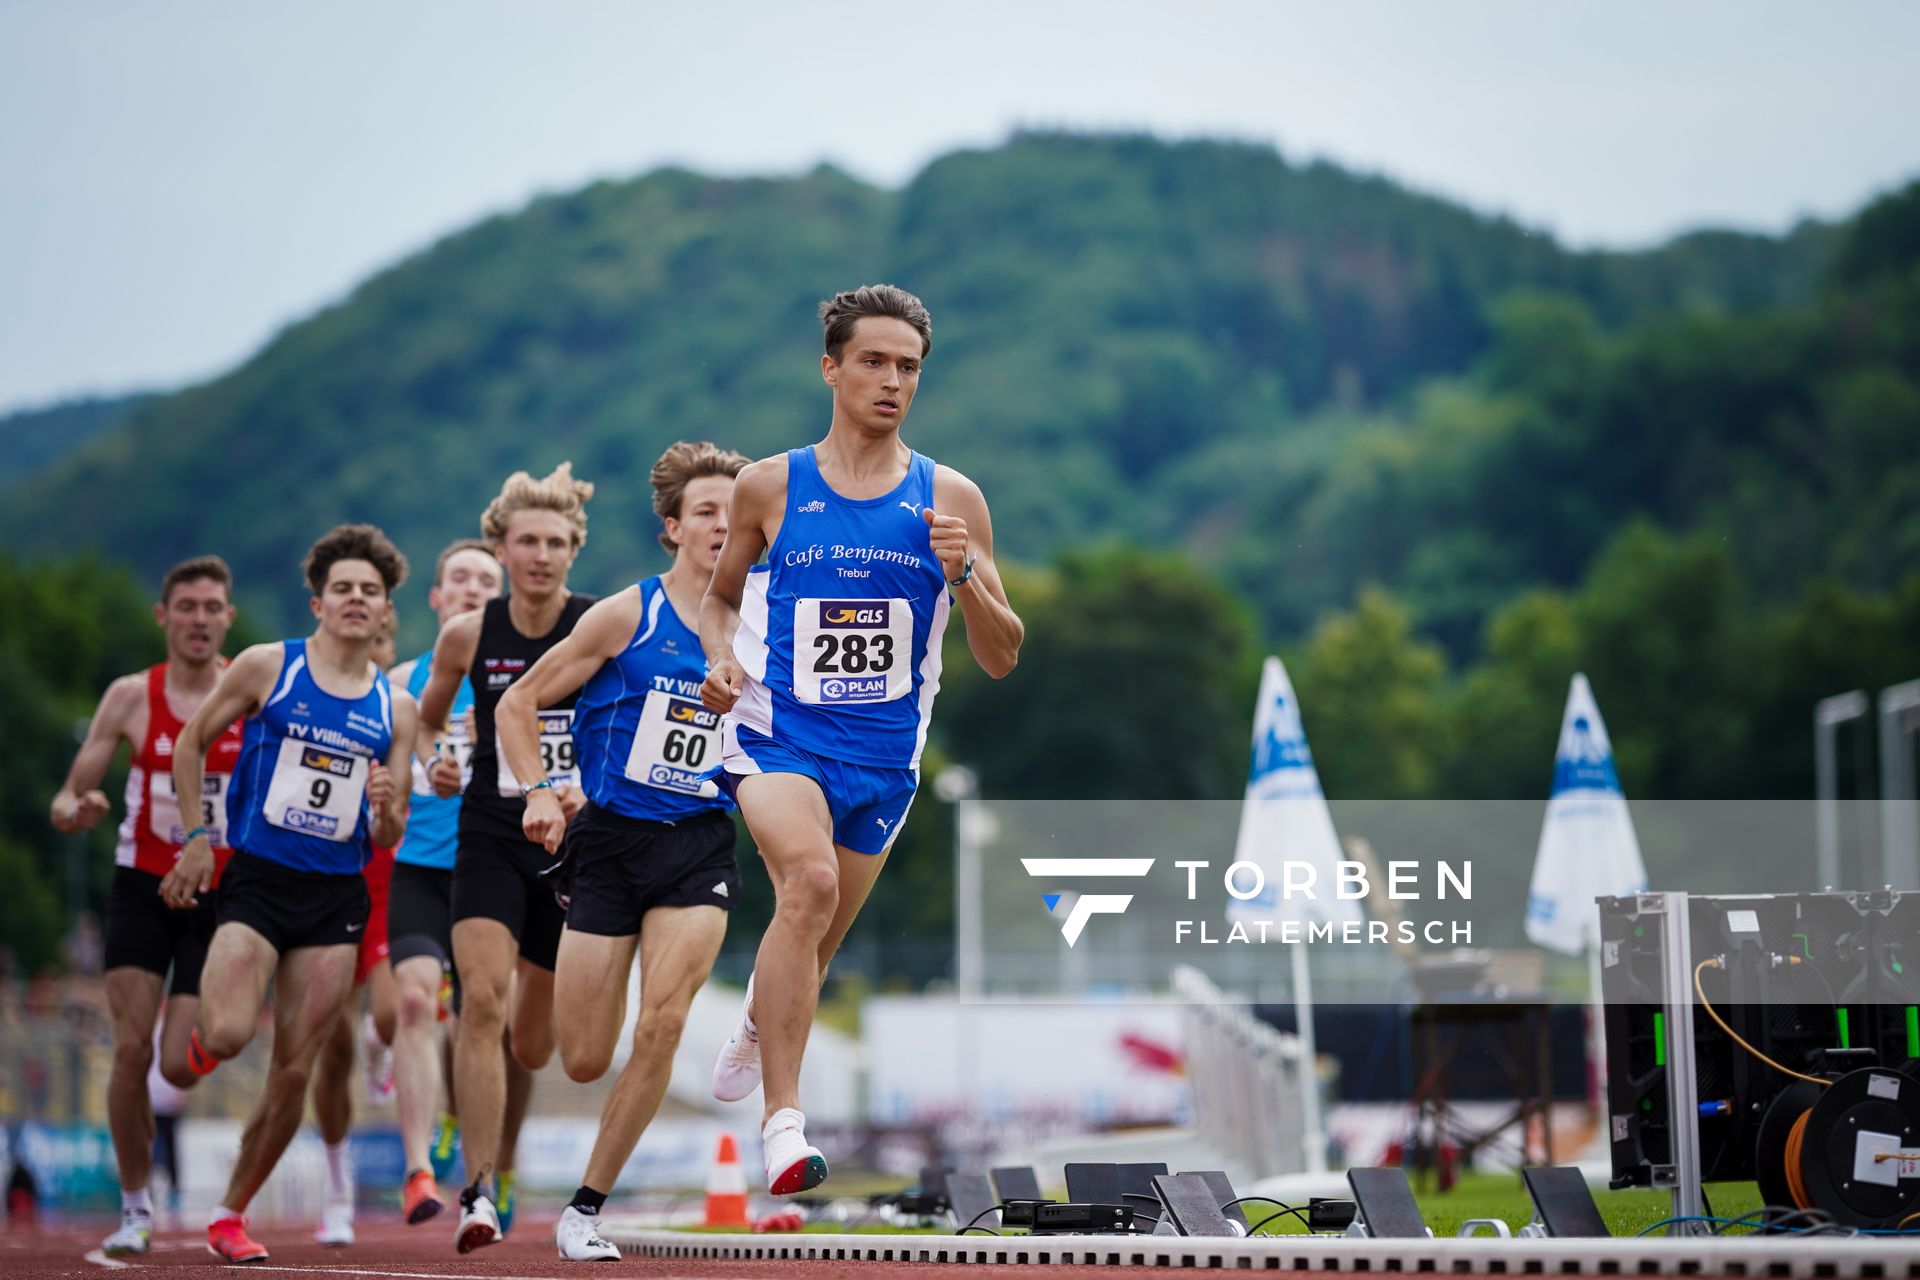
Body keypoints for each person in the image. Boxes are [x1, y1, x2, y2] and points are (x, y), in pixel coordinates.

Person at [701, 285, 1024, 1194]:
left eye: (910, 367)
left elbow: (1002, 655)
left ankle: (763, 1023)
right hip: (778, 734)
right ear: (831, 367)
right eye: (874, 362)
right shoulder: (768, 485)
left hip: (883, 761)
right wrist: (721, 658)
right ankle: (784, 1126)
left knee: (817, 937)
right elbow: (721, 597)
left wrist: (965, 577)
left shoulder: (952, 497)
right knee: (806, 883)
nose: (893, 381)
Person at [495, 442, 746, 1262]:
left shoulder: (764, 630)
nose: (722, 524)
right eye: (706, 511)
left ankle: (584, 1210)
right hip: (607, 846)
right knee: (582, 1056)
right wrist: (538, 787)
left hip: (699, 844)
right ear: (673, 528)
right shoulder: (624, 616)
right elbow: (519, 703)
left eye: (733, 512)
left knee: (664, 1024)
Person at [159, 524, 418, 1264]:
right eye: (344, 589)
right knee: (234, 1031)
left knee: (296, 1068)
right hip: (258, 883)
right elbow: (191, 741)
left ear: (384, 608)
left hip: (336, 898)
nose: (357, 600)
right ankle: (205, 1044)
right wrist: (197, 838)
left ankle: (229, 1217)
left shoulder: (392, 708)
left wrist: (387, 802)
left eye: (371, 591)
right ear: (319, 601)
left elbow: (391, 825)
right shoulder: (269, 666)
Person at [417, 464, 597, 1252]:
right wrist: (437, 762)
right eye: (527, 540)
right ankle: (478, 1191)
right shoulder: (467, 635)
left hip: (568, 850)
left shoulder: (600, 627)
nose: (541, 555)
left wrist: (586, 787)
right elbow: (428, 723)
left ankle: (508, 1157)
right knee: (479, 1005)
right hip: (490, 834)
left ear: (573, 551)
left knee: (533, 1044)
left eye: (556, 543)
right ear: (502, 546)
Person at [49, 556, 244, 1257]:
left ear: (227, 617)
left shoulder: (246, 694)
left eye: (210, 607)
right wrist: (80, 808)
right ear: (164, 617)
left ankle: (210, 1041)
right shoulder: (132, 696)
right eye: (185, 606)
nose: (198, 618)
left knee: (179, 1064)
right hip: (142, 885)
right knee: (131, 1052)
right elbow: (68, 797)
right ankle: (136, 1208)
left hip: (218, 893)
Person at [384, 539, 528, 1229]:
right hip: (420, 869)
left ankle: (501, 1157)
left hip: (499, 868)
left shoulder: (520, 674)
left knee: (506, 1030)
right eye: (459, 579)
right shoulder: (401, 685)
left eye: (486, 581)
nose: (472, 589)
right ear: (436, 597)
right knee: (415, 1006)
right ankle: (419, 1171)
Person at [306, 601, 403, 1247]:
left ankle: (380, 1042)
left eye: (382, 642)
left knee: (393, 1014)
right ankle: (338, 1188)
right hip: (332, 882)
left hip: (393, 884)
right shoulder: (312, 702)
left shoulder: (403, 709)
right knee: (330, 1047)